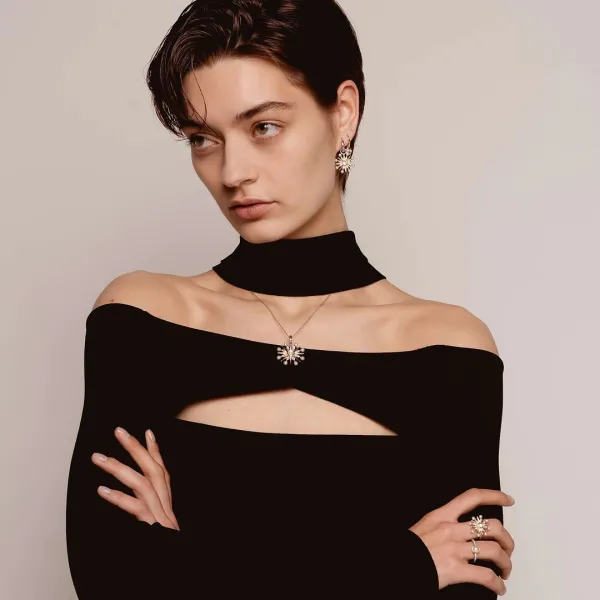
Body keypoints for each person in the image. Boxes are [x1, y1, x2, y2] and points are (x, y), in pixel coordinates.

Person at [65, 1, 516, 598]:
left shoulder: (449, 349)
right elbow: (112, 578)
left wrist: (178, 556)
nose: (233, 172)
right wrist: (403, 566)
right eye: (203, 139)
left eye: (264, 127)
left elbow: (468, 588)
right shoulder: (141, 318)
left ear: (343, 113)